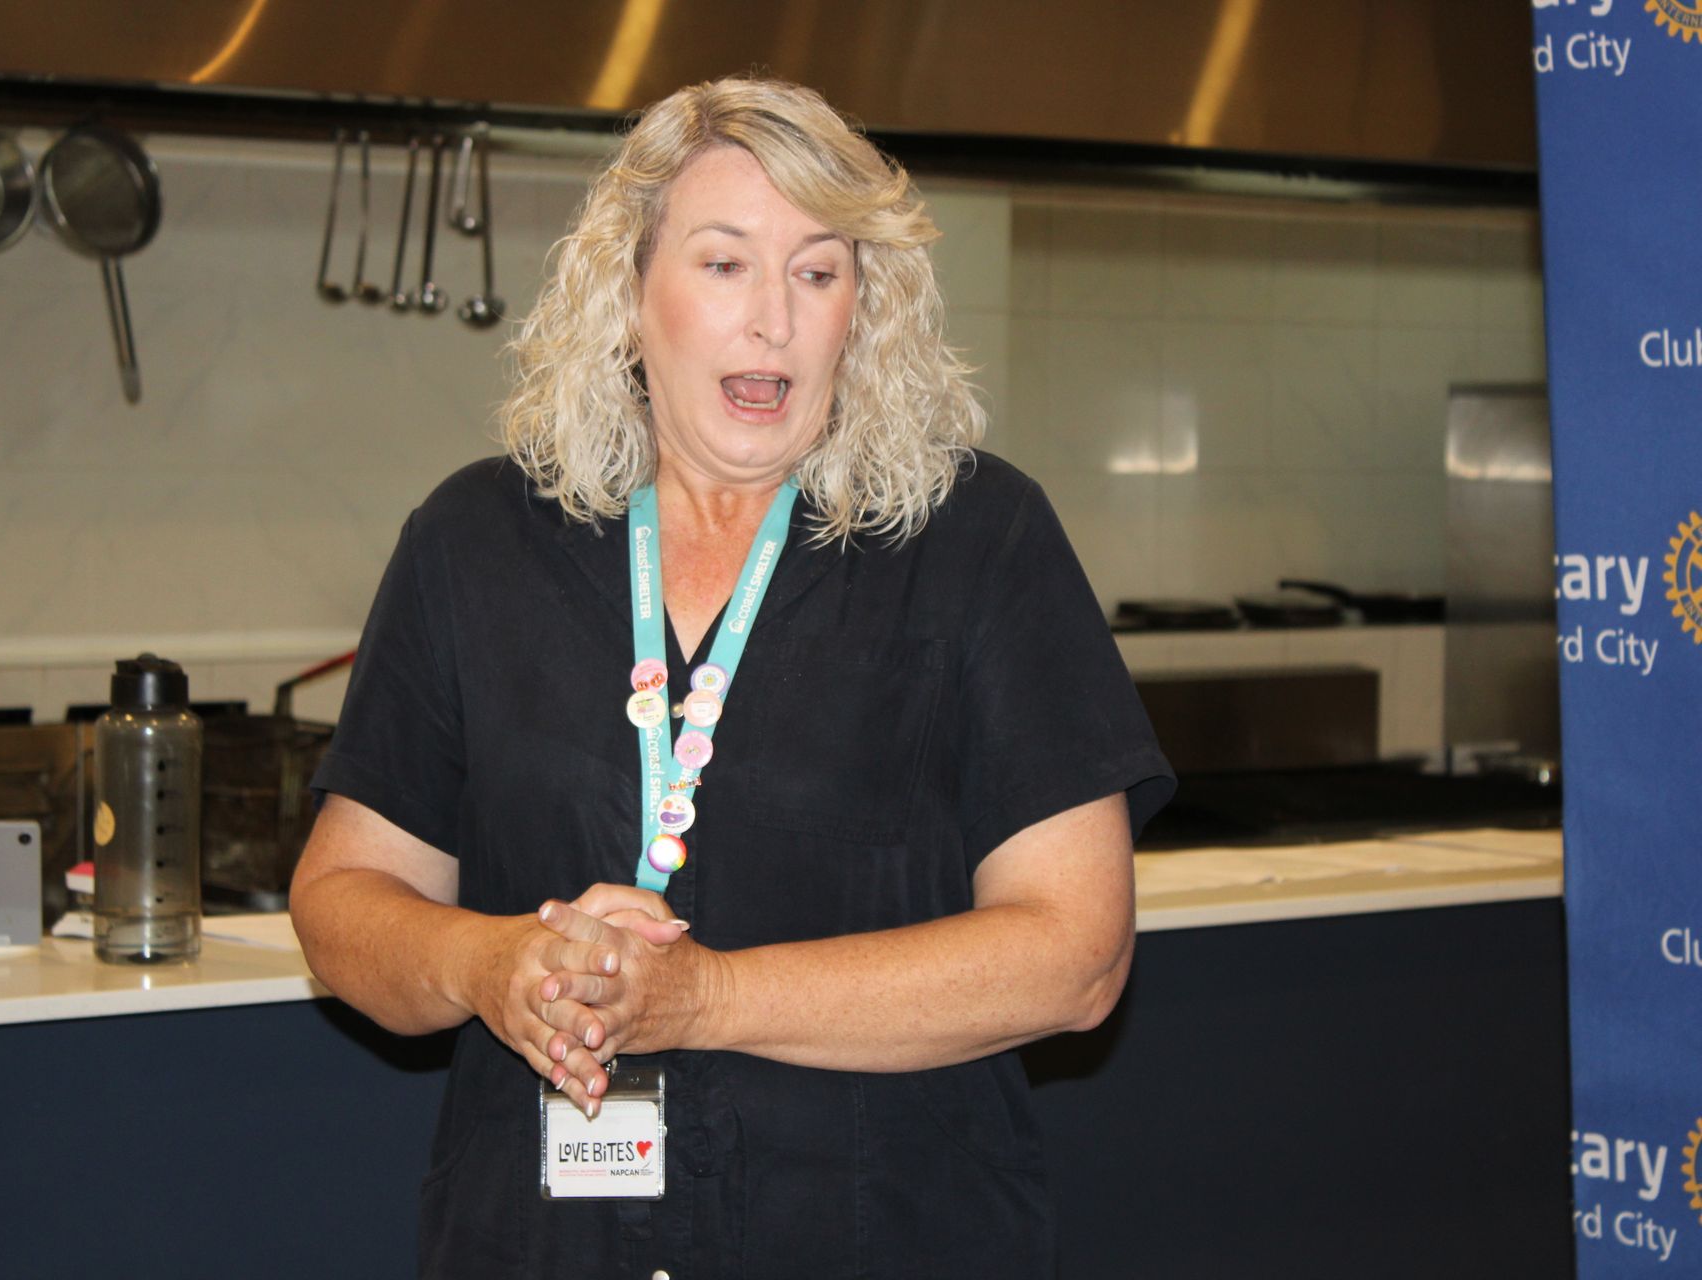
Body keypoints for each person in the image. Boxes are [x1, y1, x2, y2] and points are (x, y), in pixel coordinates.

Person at [290, 76, 1174, 1278]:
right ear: (629, 291)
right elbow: (343, 897)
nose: (774, 321)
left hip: (887, 1235)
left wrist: (703, 999)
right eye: (723, 265)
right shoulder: (477, 540)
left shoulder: (980, 540)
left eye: (818, 272)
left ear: (865, 308)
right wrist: (488, 966)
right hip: (544, 1242)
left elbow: (1079, 954)